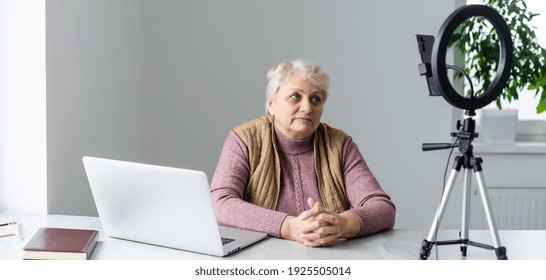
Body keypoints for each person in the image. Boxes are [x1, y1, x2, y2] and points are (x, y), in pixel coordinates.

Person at [210, 60, 395, 247]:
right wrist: (289, 227)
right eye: (295, 97)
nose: (307, 108)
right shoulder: (244, 139)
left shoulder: (340, 145)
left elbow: (383, 208)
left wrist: (342, 224)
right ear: (271, 105)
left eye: (316, 99)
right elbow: (220, 204)